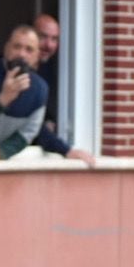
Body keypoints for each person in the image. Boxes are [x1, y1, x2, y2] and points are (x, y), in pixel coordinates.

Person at [32, 13, 95, 165]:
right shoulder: (18, 73)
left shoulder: (55, 72)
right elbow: (31, 125)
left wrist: (50, 120)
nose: (49, 45)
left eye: (54, 39)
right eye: (43, 37)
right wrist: (67, 151)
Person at [0, 24, 48, 160]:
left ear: (37, 56)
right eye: (17, 46)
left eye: (29, 50)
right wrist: (3, 99)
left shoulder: (40, 89)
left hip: (0, 163)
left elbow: (28, 133)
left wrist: (2, 152)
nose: (21, 54)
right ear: (6, 48)